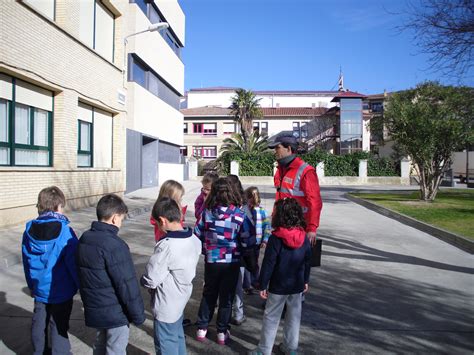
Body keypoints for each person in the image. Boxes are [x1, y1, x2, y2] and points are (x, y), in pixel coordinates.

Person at [76, 194, 145, 355]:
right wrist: (138, 315)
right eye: (121, 218)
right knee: (115, 349)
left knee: (100, 343)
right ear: (115, 218)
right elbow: (126, 285)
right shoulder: (115, 245)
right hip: (116, 313)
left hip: (95, 308)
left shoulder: (85, 238)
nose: (121, 223)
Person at [194, 177, 253, 345]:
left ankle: (202, 327)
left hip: (212, 260)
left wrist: (208, 244)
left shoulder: (207, 213)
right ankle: (221, 331)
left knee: (209, 293)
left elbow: (197, 233)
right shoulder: (239, 215)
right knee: (226, 297)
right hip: (231, 261)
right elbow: (247, 240)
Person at [250, 198, 311, 355]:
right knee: (293, 318)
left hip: (278, 286)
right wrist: (305, 280)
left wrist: (262, 284)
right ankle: (291, 348)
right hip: (296, 285)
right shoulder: (303, 237)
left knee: (271, 318)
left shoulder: (276, 238)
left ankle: (264, 350)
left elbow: (269, 264)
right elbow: (307, 261)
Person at [22, 186, 79, 355]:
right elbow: (73, 263)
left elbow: (26, 261)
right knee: (58, 323)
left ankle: (39, 351)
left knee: (39, 321)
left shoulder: (28, 232)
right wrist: (80, 285)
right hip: (62, 289)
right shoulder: (65, 232)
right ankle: (60, 352)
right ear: (57, 207)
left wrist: (31, 285)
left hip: (39, 288)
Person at [141, 198, 201, 355]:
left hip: (166, 302)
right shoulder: (194, 239)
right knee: (177, 334)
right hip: (181, 296)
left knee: (166, 341)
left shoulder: (166, 246)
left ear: (162, 220)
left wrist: (144, 281)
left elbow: (152, 277)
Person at [269, 133, 323, 245]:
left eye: (277, 148)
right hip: (282, 225)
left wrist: (312, 229)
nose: (275, 152)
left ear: (288, 148)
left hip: (299, 227)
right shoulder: (281, 169)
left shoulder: (306, 172)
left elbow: (315, 202)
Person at [232, 186, 271, 326]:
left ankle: (253, 283)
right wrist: (265, 240)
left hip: (253, 242)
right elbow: (267, 227)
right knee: (252, 263)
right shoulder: (261, 211)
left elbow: (267, 227)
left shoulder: (247, 211)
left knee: (250, 264)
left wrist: (265, 240)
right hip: (255, 242)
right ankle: (252, 283)